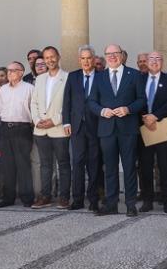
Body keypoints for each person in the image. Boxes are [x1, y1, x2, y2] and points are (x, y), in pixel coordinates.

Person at [88, 44, 146, 217]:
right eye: (109, 54)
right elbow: (91, 101)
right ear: (105, 56)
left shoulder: (134, 74)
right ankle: (111, 204)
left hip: (128, 128)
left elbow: (142, 100)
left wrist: (128, 109)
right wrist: (101, 111)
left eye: (116, 53)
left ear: (121, 55)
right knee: (110, 168)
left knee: (129, 167)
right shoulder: (99, 77)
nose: (112, 56)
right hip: (106, 129)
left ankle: (130, 205)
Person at [63, 45, 103, 212]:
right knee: (77, 163)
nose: (86, 61)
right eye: (83, 58)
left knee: (94, 164)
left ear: (93, 60)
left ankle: (93, 199)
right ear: (79, 60)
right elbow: (67, 101)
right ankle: (77, 199)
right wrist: (66, 122)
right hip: (77, 127)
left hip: (96, 126)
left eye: (89, 58)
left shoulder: (102, 77)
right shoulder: (73, 77)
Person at [31, 46, 71, 209]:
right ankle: (45, 196)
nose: (50, 60)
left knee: (63, 164)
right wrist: (37, 119)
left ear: (58, 57)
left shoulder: (68, 78)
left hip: (58, 128)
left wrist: (54, 120)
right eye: (47, 58)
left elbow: (69, 104)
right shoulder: (40, 79)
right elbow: (33, 102)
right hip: (40, 129)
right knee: (45, 164)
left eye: (52, 57)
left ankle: (64, 197)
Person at [138, 51, 167, 214]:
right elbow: (134, 100)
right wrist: (144, 117)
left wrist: (155, 116)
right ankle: (147, 200)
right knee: (145, 167)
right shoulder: (139, 79)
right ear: (146, 62)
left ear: (162, 62)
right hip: (143, 128)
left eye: (158, 59)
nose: (154, 62)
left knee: (166, 166)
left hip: (163, 127)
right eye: (151, 59)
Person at [0, 61, 35, 207]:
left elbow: (34, 110)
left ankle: (27, 197)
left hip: (22, 128)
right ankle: (8, 198)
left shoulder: (30, 88)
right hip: (5, 128)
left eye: (13, 70)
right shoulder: (3, 89)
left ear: (21, 72)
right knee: (7, 165)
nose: (9, 73)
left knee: (23, 164)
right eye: (8, 70)